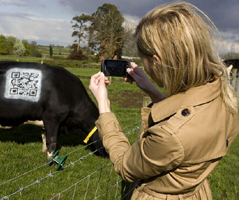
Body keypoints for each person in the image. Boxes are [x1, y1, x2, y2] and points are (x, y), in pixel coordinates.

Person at [89, 2, 239, 199]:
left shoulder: (170, 138)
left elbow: (125, 165)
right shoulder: (225, 96)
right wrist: (151, 89)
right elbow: (187, 112)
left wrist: (104, 108)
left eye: (144, 60)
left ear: (157, 62)